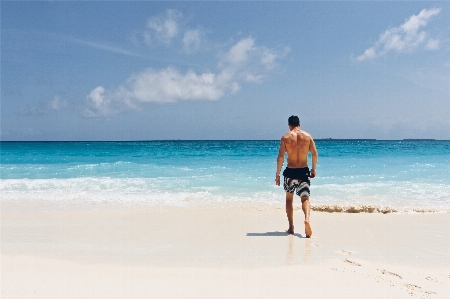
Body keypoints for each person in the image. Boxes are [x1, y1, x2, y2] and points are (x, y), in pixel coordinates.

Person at [275, 115, 318, 238]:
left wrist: (277, 174)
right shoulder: (307, 136)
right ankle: (307, 219)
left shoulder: (285, 137)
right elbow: (314, 154)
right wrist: (313, 169)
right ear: (299, 124)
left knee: (289, 199)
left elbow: (281, 157)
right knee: (305, 199)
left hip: (290, 172)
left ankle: (291, 227)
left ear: (289, 125)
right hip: (303, 172)